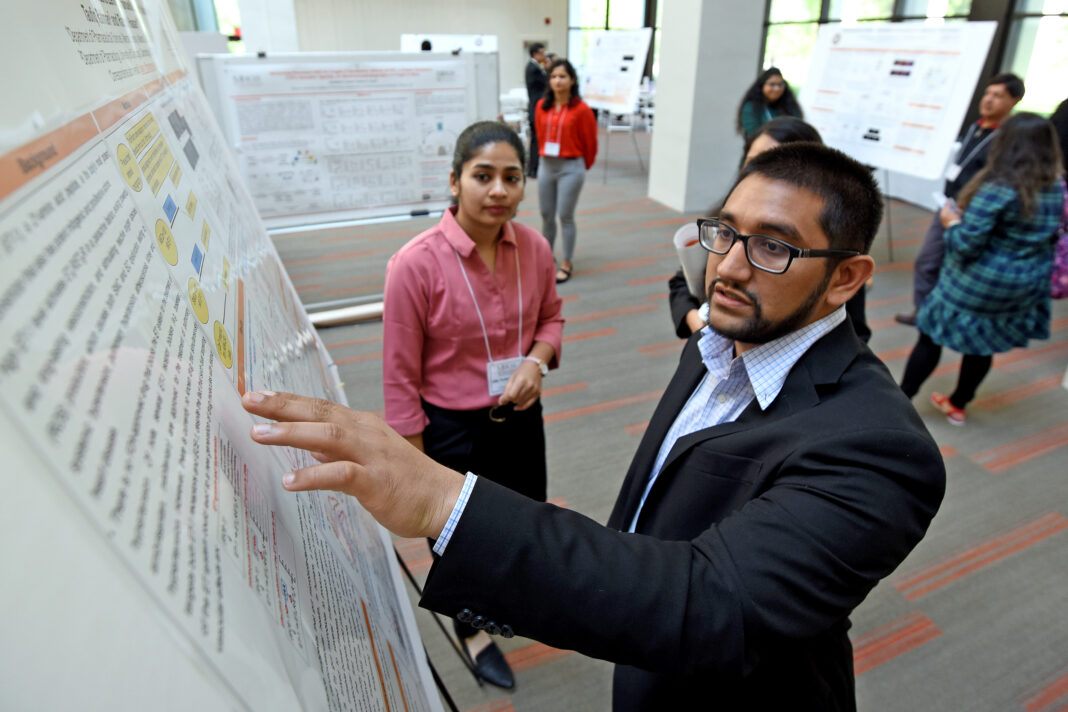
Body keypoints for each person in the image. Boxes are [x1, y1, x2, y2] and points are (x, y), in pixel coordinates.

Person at [243, 143, 945, 711]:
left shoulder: (881, 451)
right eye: (726, 232)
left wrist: (438, 500)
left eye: (772, 248)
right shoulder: (723, 341)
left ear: (847, 278)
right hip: (642, 656)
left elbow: (711, 605)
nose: (726, 267)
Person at [381, 120, 564, 688]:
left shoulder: (534, 248)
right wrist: (413, 464)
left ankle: (515, 593)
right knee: (456, 536)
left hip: (520, 416)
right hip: (451, 431)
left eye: (512, 177)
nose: (499, 191)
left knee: (525, 514)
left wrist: (536, 361)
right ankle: (472, 626)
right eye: (483, 176)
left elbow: (551, 319)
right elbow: (398, 377)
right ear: (455, 180)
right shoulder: (414, 264)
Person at [899, 112, 1063, 425]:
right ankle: (958, 404)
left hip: (976, 284)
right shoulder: (1056, 187)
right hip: (1021, 285)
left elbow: (964, 245)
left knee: (930, 337)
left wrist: (951, 222)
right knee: (983, 346)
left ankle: (899, 400)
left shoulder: (998, 188)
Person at [669, 117, 823, 338]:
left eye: (772, 246)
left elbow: (851, 332)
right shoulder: (721, 215)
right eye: (754, 163)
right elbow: (682, 280)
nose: (727, 269)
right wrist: (694, 321)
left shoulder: (825, 244)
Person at [896, 73, 1025, 325]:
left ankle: (943, 320)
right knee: (927, 262)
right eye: (988, 93)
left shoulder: (1008, 139)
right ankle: (924, 314)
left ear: (1015, 100)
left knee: (956, 268)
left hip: (974, 214)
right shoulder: (976, 127)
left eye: (998, 96)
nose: (989, 100)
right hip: (948, 205)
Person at [534, 58, 598, 284]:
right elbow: (539, 135)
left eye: (562, 76)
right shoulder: (542, 106)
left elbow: (590, 142)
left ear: (572, 80)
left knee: (565, 215)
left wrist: (581, 166)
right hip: (546, 165)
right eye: (553, 76)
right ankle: (546, 256)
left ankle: (567, 261)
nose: (557, 81)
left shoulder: (582, 110)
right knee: (546, 214)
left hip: (571, 167)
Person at [736, 67, 803, 139]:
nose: (777, 88)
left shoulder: (790, 106)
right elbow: (754, 134)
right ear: (761, 86)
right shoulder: (751, 107)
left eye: (780, 84)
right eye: (772, 84)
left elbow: (798, 130)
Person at [524, 43, 548, 179]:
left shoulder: (535, 67)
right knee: (536, 141)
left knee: (536, 140)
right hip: (536, 109)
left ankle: (534, 168)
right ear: (535, 54)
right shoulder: (533, 69)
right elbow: (545, 83)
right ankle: (533, 169)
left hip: (535, 108)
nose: (544, 56)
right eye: (542, 53)